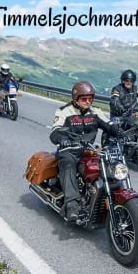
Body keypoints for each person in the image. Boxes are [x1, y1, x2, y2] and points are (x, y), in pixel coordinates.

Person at [50, 81, 122, 222]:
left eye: (90, 99)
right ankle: (72, 204)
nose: (87, 102)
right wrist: (62, 138)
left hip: (89, 150)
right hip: (69, 150)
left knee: (108, 165)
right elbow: (55, 131)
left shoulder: (95, 113)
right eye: (84, 99)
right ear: (76, 98)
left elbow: (108, 125)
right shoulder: (64, 111)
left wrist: (121, 132)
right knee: (69, 163)